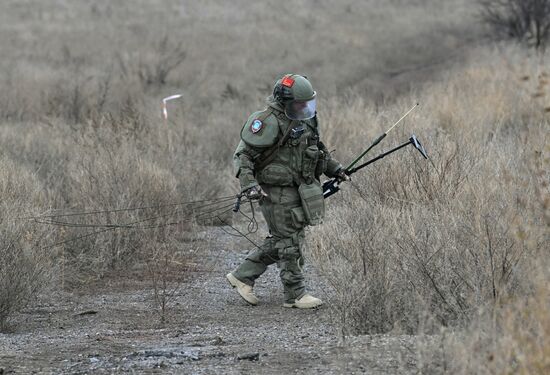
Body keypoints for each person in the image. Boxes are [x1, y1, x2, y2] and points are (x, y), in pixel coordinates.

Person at [227, 74, 349, 309]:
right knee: (289, 242)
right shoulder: (266, 122)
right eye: (298, 104)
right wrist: (249, 185)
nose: (304, 108)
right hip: (274, 191)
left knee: (286, 238)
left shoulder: (307, 119)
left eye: (308, 103)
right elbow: (243, 156)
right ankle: (295, 294)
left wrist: (335, 169)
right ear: (284, 101)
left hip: (300, 188)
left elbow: (317, 148)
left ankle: (243, 276)